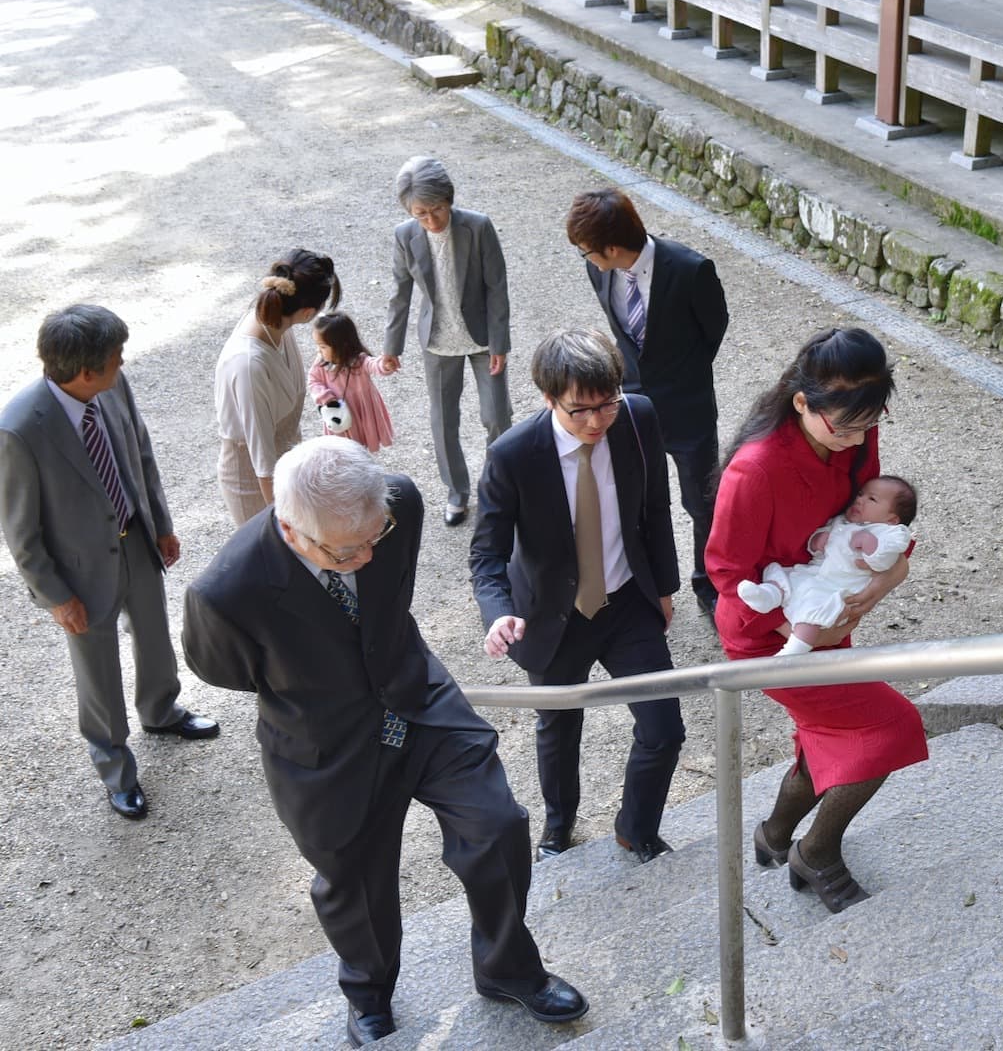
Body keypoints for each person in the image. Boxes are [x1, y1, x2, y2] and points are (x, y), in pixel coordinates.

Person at [182, 437, 587, 1047]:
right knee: (356, 881)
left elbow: (390, 597)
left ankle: (507, 967)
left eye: (377, 536)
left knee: (497, 824)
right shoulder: (226, 592)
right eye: (348, 551)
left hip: (416, 696)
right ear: (292, 532)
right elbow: (223, 669)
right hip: (326, 744)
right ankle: (369, 994)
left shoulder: (399, 504)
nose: (369, 555)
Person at [705, 327, 928, 913]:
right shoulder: (755, 469)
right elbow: (726, 571)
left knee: (826, 731)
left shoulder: (854, 425)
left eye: (868, 424)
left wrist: (883, 581)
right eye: (846, 427)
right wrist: (803, 632)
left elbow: (874, 523)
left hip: (826, 605)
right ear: (802, 402)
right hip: (770, 630)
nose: (857, 439)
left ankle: (775, 835)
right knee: (891, 727)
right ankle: (816, 852)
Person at [471, 329, 684, 864]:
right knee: (559, 728)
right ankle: (558, 828)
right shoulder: (513, 455)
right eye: (580, 410)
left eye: (606, 403)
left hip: (626, 601)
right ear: (549, 399)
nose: (596, 421)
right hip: (550, 616)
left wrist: (664, 587)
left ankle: (636, 828)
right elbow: (487, 554)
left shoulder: (636, 418)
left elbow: (656, 508)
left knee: (664, 728)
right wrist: (498, 615)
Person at [0, 305, 218, 820]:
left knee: (154, 636)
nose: (123, 363)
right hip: (79, 574)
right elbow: (21, 532)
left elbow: (141, 454)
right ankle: (116, 768)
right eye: (116, 357)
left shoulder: (113, 387)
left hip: (136, 541)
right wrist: (56, 597)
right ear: (85, 372)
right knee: (97, 674)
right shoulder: (19, 431)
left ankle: (160, 711)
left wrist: (160, 523)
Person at [566, 188, 728, 619]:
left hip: (689, 409)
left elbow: (713, 330)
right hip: (631, 406)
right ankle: (647, 586)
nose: (586, 259)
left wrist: (681, 377)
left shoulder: (691, 269)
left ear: (612, 248)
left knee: (702, 503)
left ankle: (708, 585)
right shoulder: (600, 272)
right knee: (634, 502)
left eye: (587, 251)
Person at [381, 156, 512, 528]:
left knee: (497, 416)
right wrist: (391, 348)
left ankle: (498, 487)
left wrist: (500, 343)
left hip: (482, 338)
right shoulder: (405, 235)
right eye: (421, 213)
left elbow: (496, 287)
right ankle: (457, 493)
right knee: (443, 421)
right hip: (437, 341)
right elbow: (400, 293)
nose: (431, 220)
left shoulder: (478, 226)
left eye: (437, 209)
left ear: (449, 199)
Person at [215, 249, 341, 524]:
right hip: (256, 483)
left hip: (286, 465)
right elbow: (262, 461)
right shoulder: (249, 365)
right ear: (307, 312)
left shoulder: (277, 324)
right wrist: (283, 522)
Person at [738, 475, 917, 655]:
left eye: (872, 499)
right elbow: (816, 544)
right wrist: (817, 541)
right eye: (860, 494)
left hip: (837, 588)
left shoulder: (889, 534)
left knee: (812, 614)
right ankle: (769, 595)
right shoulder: (842, 521)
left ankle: (795, 649)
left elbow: (884, 561)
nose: (860, 500)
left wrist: (870, 543)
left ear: (892, 519)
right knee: (785, 578)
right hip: (814, 575)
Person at [308, 311, 394, 450]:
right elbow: (313, 380)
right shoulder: (321, 363)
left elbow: (373, 364)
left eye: (323, 347)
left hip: (360, 410)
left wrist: (385, 365)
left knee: (360, 444)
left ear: (341, 345)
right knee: (342, 448)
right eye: (318, 346)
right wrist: (326, 397)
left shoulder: (359, 361)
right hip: (337, 411)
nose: (319, 350)